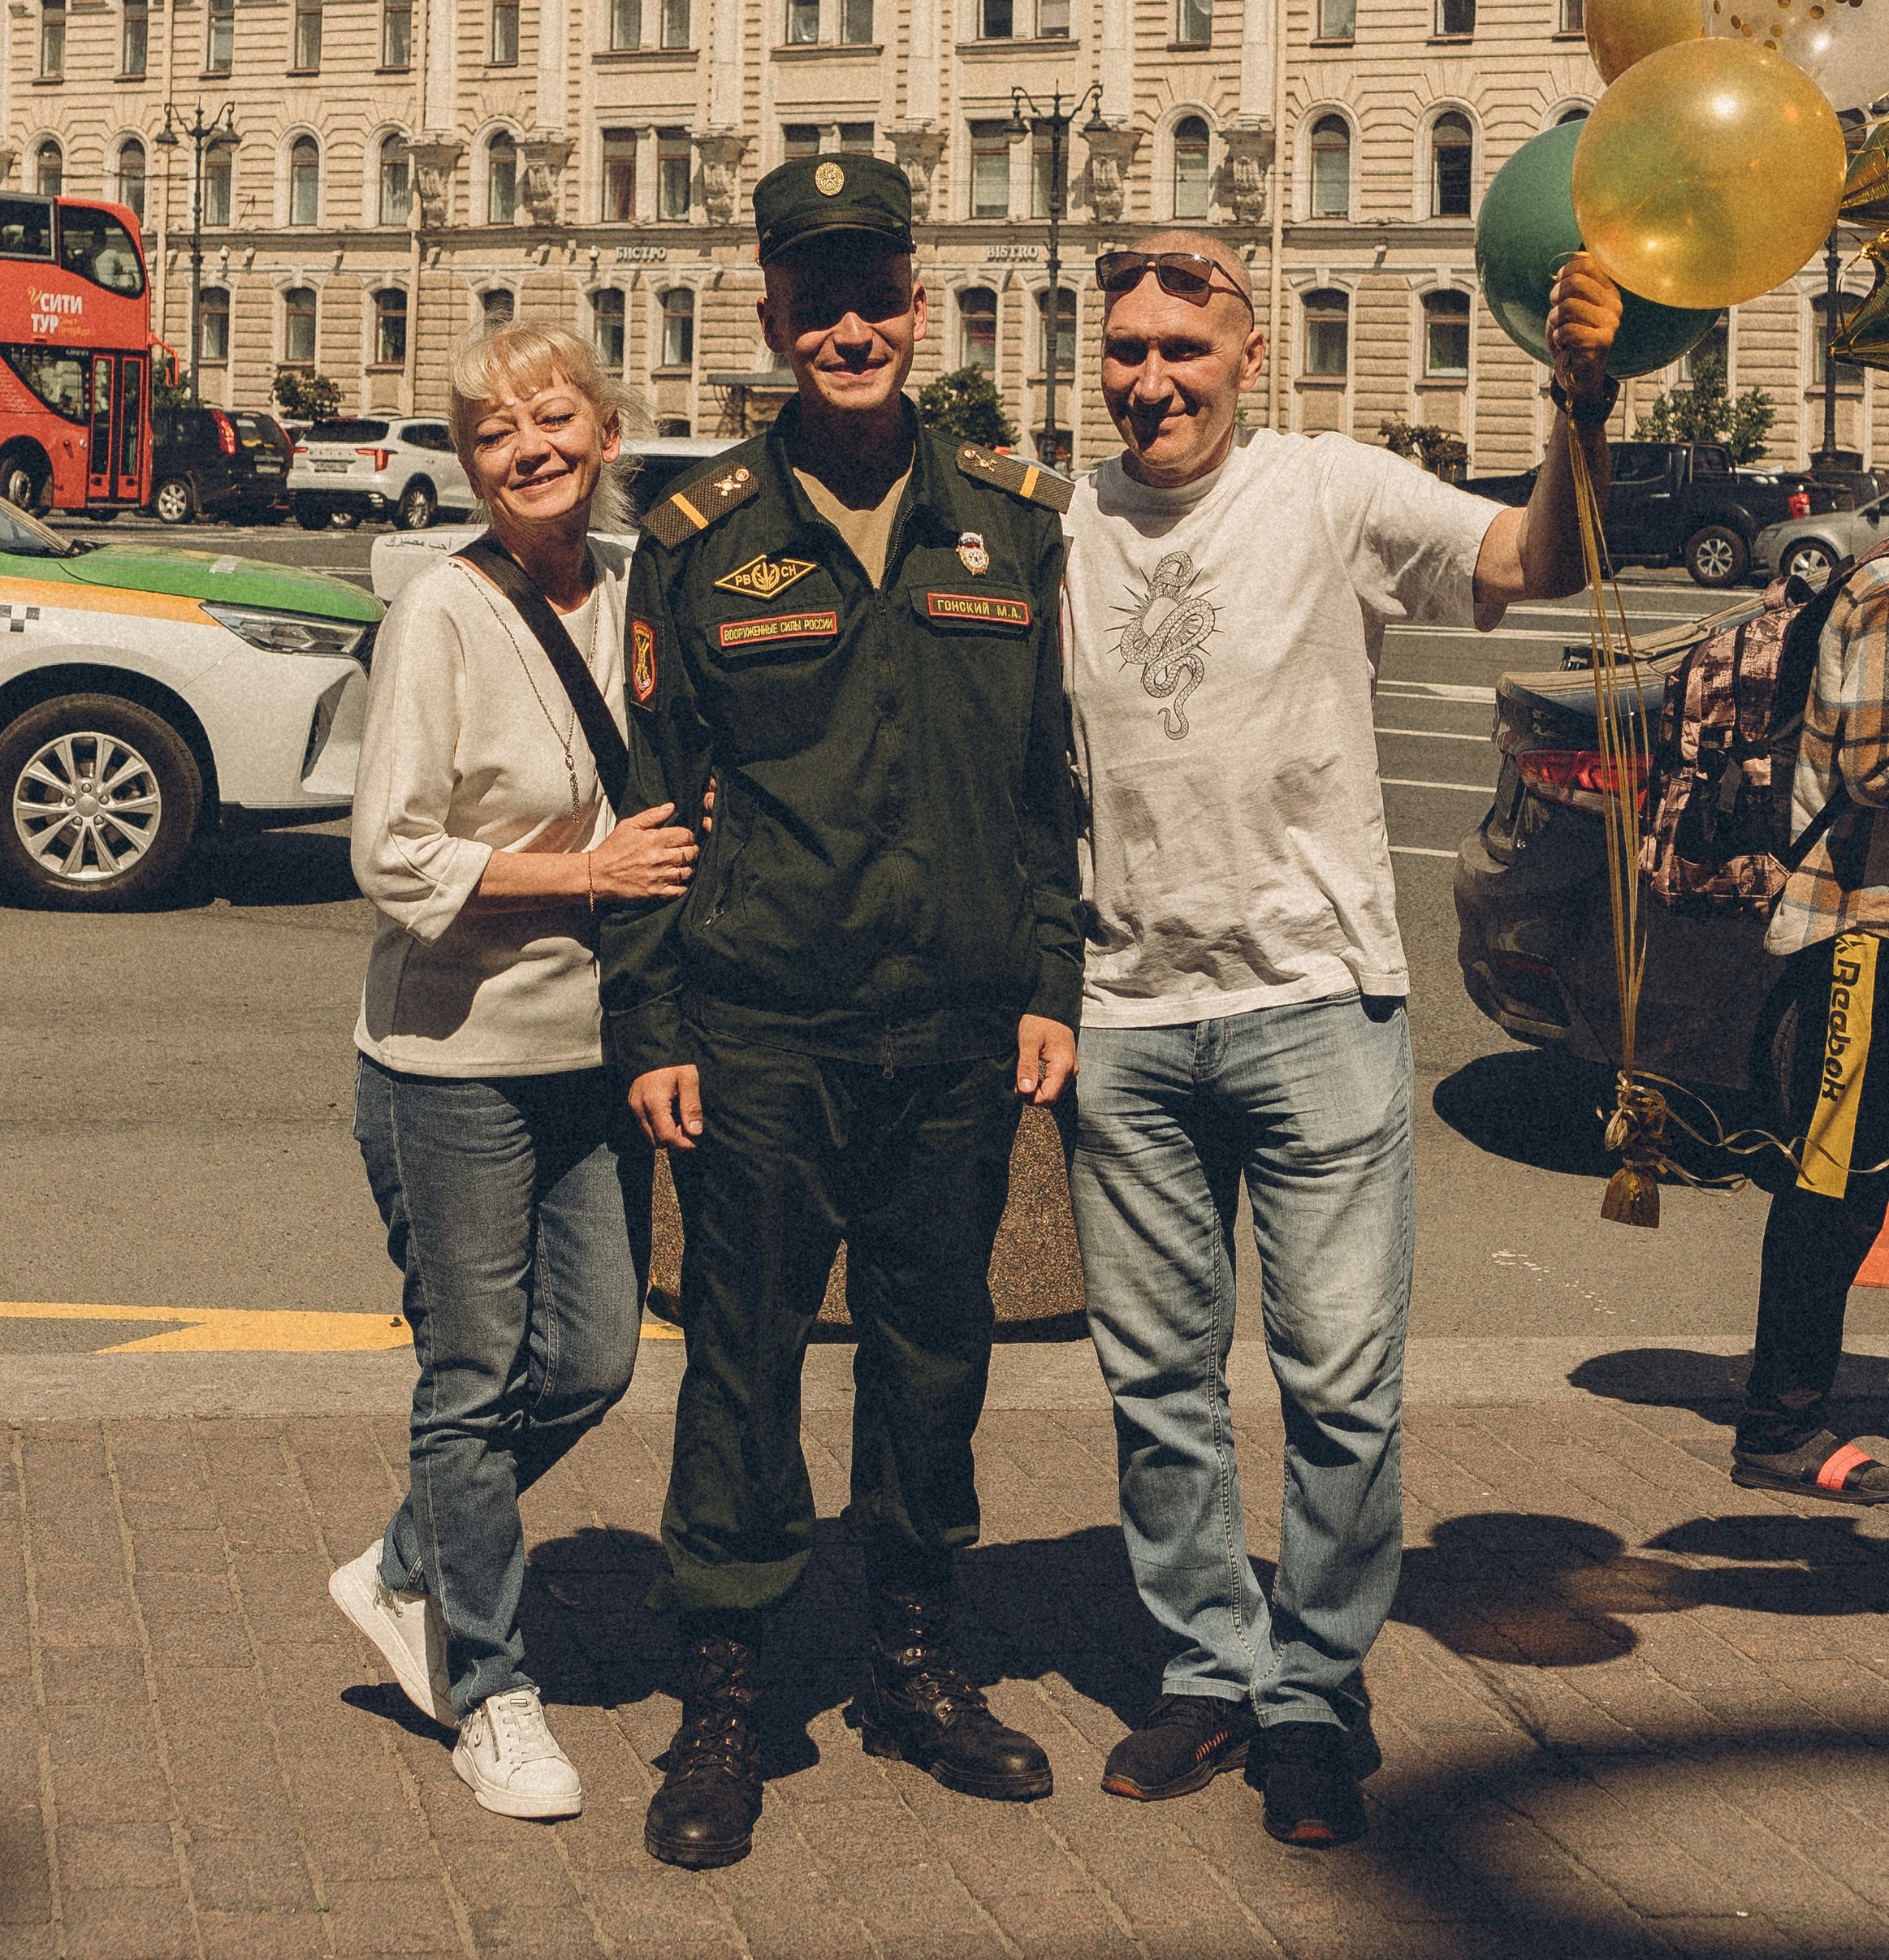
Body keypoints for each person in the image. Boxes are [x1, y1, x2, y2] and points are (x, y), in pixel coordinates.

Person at [1061, 228, 1620, 1846]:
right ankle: (1205, 1666)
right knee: (1159, 1386)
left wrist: (1578, 407)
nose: (1151, 379)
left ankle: (1310, 1688)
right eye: (1125, 350)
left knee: (1342, 1390)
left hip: (1315, 1004)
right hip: (1126, 1018)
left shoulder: (1329, 490)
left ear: (1248, 356)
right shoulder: (1058, 524)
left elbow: (1533, 560)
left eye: (1182, 347)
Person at [602, 149, 1083, 1871]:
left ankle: (913, 1663)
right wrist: (653, 1024)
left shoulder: (1011, 522)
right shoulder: (701, 537)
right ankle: (727, 1696)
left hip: (953, 1026)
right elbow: (655, 800)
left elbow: (1045, 789)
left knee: (932, 1351)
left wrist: (1051, 979)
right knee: (740, 1362)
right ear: (772, 313)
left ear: (920, 305)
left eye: (877, 296)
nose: (851, 330)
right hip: (761, 1024)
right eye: (819, 301)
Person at [331, 321, 700, 1820]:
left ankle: (404, 1561)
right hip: (453, 1060)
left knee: (596, 1358)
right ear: (470, 464)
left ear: (607, 432)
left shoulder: (641, 590)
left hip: (596, 1054)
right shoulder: (441, 609)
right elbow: (391, 852)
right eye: (494, 433)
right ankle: (488, 1686)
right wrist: (586, 875)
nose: (529, 450)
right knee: (473, 1377)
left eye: (554, 419)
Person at [1734, 548, 1889, 1503]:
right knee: (1836, 1186)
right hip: (1863, 929)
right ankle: (1779, 1425)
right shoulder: (1885, 592)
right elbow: (1870, 766)